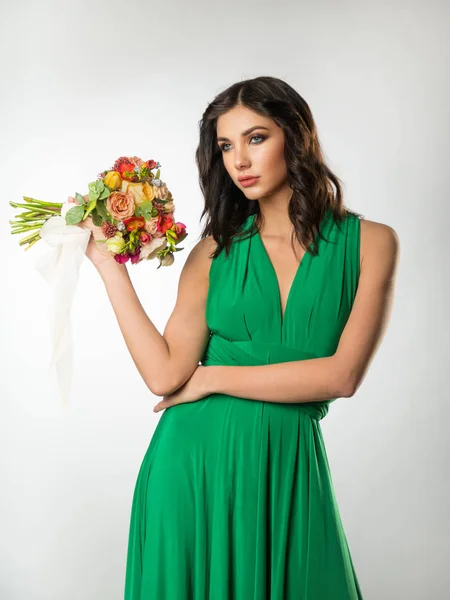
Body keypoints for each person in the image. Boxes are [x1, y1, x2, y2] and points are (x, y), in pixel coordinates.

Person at [76, 76, 399, 599]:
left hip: (286, 468)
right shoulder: (213, 253)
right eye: (226, 146)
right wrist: (111, 269)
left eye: (255, 138)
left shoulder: (372, 243)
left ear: (296, 137)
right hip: (193, 466)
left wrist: (212, 379)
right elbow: (163, 374)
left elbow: (342, 376)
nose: (239, 161)